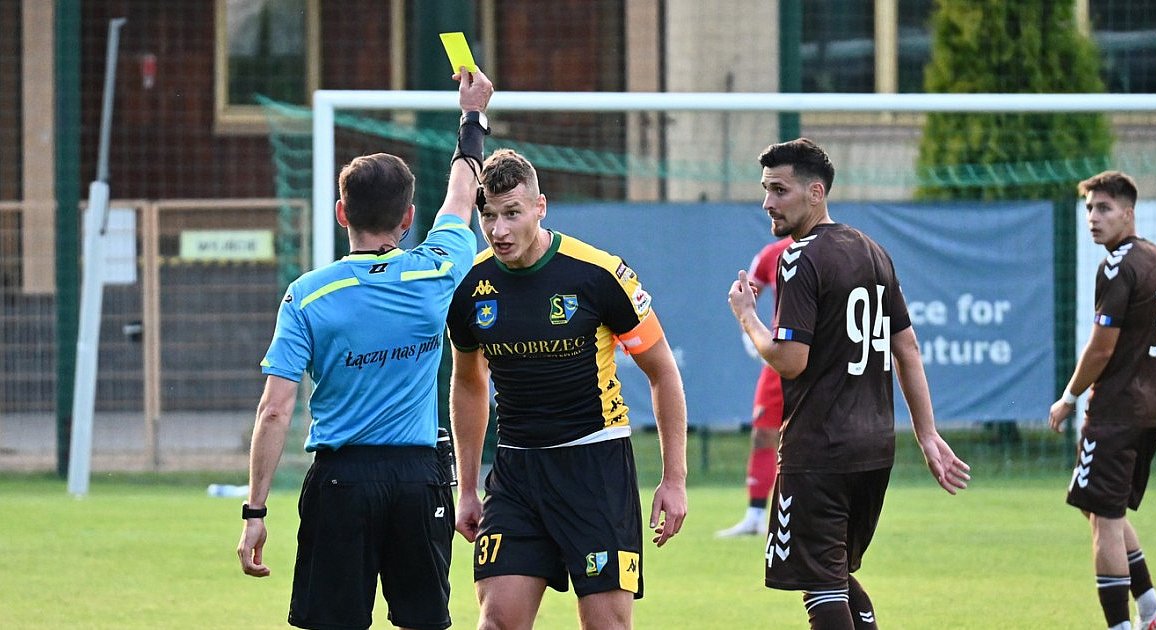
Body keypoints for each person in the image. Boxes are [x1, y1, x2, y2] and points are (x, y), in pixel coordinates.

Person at [235, 68, 494, 630]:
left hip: (341, 481)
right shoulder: (438, 269)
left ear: (341, 213)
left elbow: (275, 409)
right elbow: (460, 194)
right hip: (419, 478)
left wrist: (255, 510)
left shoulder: (307, 295)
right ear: (406, 220)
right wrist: (472, 117)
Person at [727, 137, 971, 630]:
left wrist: (747, 318)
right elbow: (908, 349)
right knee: (833, 574)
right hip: (875, 449)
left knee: (819, 582)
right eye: (765, 189)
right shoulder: (873, 252)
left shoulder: (799, 259)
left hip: (820, 449)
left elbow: (790, 360)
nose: (768, 202)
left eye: (779, 190)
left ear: (815, 193)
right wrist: (926, 434)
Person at [447, 149, 688, 630]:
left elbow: (662, 372)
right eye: (488, 216)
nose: (498, 231)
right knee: (497, 622)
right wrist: (469, 487)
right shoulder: (470, 286)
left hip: (594, 469)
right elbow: (469, 384)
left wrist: (674, 478)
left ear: (541, 206)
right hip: (517, 474)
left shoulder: (599, 275)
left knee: (606, 626)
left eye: (512, 213)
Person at [1048, 171, 1156, 630]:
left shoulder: (1119, 265)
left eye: (1104, 208)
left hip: (1118, 411)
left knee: (1103, 516)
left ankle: (1122, 625)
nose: (1093, 218)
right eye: (1088, 209)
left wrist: (1069, 397)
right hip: (1152, 409)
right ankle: (1152, 610)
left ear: (1128, 212)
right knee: (1101, 505)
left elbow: (1101, 347)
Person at [716, 237, 791, 538]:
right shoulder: (771, 254)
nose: (772, 204)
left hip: (818, 358)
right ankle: (755, 516)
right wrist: (750, 333)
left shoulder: (831, 247)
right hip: (781, 356)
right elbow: (747, 293)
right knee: (763, 433)